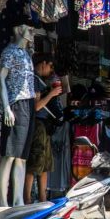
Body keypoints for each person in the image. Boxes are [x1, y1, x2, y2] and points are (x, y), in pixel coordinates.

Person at [25, 53, 62, 203]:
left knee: (46, 164)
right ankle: (27, 198)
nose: (51, 69)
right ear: (43, 63)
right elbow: (36, 106)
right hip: (38, 123)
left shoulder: (42, 81)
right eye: (50, 66)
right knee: (35, 162)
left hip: (45, 124)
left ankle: (43, 197)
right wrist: (51, 94)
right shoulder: (34, 80)